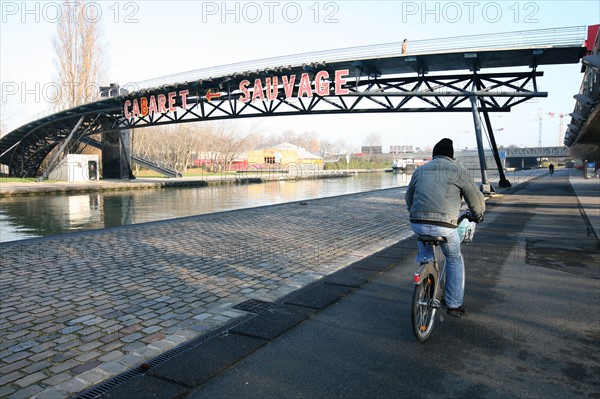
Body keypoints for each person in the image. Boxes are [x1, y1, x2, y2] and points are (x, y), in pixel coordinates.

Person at [405, 138, 485, 318]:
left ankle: (425, 279)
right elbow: (475, 199)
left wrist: (415, 213)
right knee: (453, 257)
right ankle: (454, 304)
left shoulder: (420, 170)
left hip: (417, 223)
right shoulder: (458, 171)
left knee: (426, 252)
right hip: (444, 226)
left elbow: (409, 197)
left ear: (434, 154)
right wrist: (477, 216)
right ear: (451, 156)